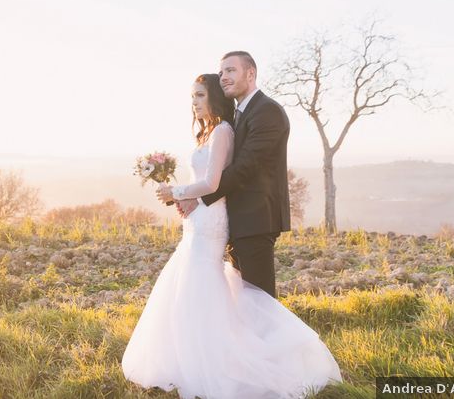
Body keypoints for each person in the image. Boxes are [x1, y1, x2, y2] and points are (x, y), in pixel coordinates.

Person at [121, 72, 341, 399]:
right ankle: (189, 356)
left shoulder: (224, 130)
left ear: (213, 97)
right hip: (200, 217)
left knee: (201, 281)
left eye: (199, 96)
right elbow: (208, 182)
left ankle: (227, 360)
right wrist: (185, 199)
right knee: (191, 283)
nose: (193, 103)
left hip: (211, 220)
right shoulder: (210, 131)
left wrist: (177, 191)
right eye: (191, 97)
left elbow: (212, 183)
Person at [163, 51, 290, 298]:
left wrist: (195, 197)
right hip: (235, 220)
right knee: (243, 302)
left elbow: (244, 168)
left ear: (250, 73)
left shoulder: (267, 112)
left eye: (231, 70)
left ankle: (284, 339)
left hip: (256, 220)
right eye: (221, 72)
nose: (223, 77)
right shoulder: (239, 115)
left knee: (260, 302)